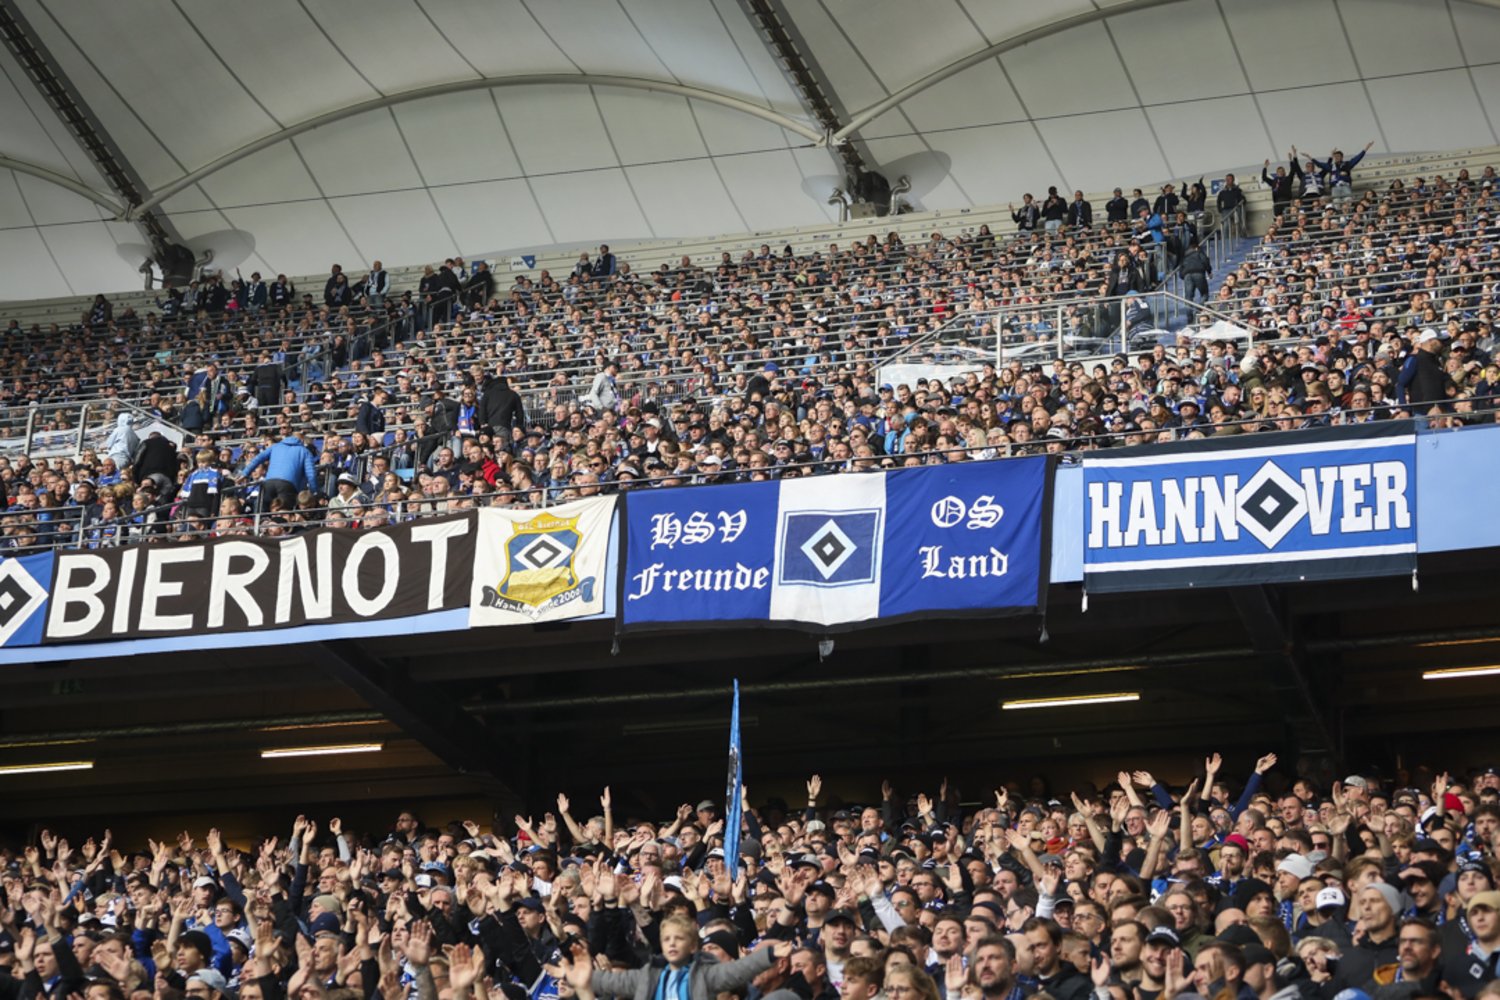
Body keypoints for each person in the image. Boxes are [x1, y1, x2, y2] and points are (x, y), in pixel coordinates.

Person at [243, 431, 318, 512]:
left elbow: (257, 459)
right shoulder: (305, 451)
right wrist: (314, 492)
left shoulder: (275, 446)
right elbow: (311, 475)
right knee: (284, 512)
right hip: (288, 485)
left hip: (269, 483)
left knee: (263, 511)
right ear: (302, 441)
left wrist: (244, 473)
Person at [1310, 141, 1375, 203]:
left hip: (1345, 185)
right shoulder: (1331, 166)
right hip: (1335, 187)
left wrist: (1365, 149)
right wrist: (1310, 158)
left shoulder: (1347, 164)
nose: (1337, 158)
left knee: (1348, 200)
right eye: (1335, 157)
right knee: (1336, 201)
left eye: (1338, 156)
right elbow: (1320, 164)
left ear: (1342, 157)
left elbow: (1357, 159)